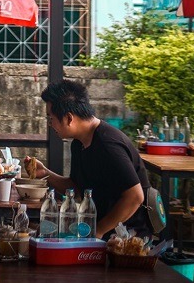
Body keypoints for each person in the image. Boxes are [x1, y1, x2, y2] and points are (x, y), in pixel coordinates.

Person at [26, 79, 154, 239]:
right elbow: (77, 188)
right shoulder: (79, 143)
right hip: (99, 232)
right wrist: (44, 173)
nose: (51, 125)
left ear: (68, 118)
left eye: (51, 119)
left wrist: (98, 231)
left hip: (127, 239)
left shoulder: (108, 144)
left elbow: (135, 197)